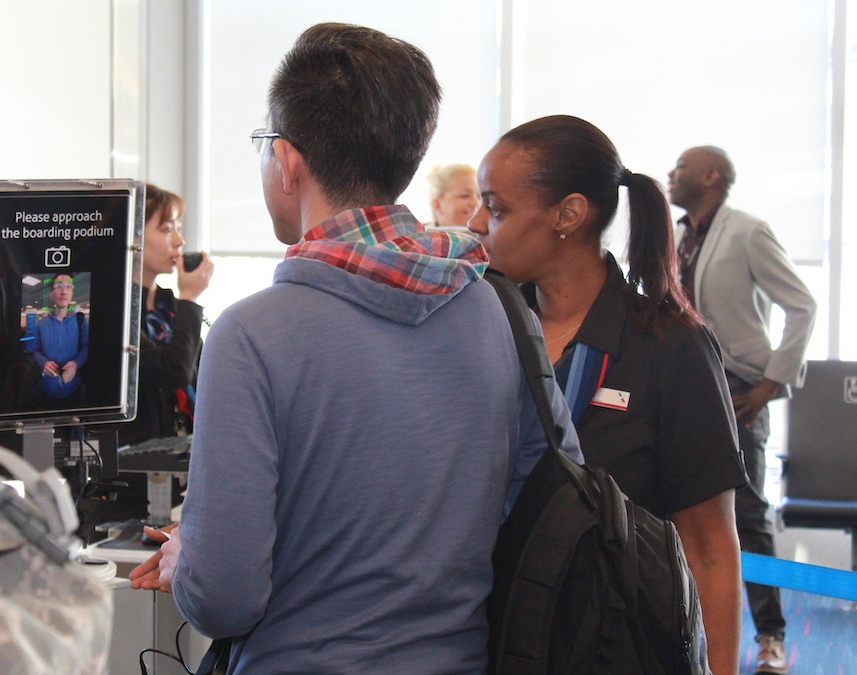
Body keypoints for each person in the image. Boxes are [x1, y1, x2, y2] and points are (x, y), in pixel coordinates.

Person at [130, 23, 580, 673]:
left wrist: (189, 559)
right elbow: (547, 504)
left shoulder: (251, 335)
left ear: (288, 161)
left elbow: (225, 599)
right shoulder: (497, 309)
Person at [468, 115, 747, 675]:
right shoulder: (480, 328)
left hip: (607, 646)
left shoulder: (670, 348)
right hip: (483, 638)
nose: (475, 224)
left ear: (568, 215)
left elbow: (709, 548)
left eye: (495, 208)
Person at [668, 145, 817, 675]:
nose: (671, 174)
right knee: (680, 510)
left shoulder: (748, 231)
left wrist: (772, 381)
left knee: (747, 516)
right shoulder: (678, 235)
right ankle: (688, 632)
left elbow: (802, 305)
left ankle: (771, 636)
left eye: (681, 167)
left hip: (738, 389)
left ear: (711, 176)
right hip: (683, 384)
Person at [86, 183, 214, 525]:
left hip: (177, 473)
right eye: (167, 229)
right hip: (124, 485)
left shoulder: (170, 307)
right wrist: (190, 300)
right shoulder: (108, 307)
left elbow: (200, 375)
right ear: (132, 238)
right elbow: (173, 371)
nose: (179, 241)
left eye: (178, 228)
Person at [30, 272, 88, 401]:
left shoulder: (81, 321)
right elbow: (35, 350)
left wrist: (75, 364)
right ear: (51, 294)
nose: (64, 292)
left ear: (72, 292)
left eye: (68, 287)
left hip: (74, 388)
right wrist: (44, 363)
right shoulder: (41, 324)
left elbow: (87, 347)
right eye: (59, 286)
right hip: (46, 388)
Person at [426, 162, 481, 230]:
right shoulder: (421, 235)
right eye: (465, 196)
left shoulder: (487, 233)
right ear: (437, 205)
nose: (475, 203)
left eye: (479, 196)